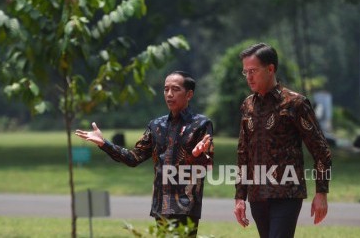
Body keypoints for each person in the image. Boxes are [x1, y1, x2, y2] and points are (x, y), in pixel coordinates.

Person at [75, 70, 213, 237]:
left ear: (189, 94)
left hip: (186, 206)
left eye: (175, 89)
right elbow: (134, 158)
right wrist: (104, 143)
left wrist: (198, 155)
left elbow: (207, 165)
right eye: (166, 89)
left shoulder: (201, 124)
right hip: (160, 205)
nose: (169, 94)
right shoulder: (156, 126)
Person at [233, 43, 332, 238]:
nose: (249, 77)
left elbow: (321, 150)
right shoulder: (247, 105)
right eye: (245, 72)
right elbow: (243, 152)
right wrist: (239, 197)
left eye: (253, 71)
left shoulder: (295, 103)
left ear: (270, 69)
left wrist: (322, 192)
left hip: (287, 193)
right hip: (257, 195)